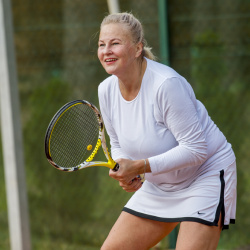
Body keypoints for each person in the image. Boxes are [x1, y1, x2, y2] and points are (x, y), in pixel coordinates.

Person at [97, 12, 237, 250]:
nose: (106, 51)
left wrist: (139, 166)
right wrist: (126, 168)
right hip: (160, 187)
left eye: (115, 43)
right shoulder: (106, 90)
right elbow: (117, 141)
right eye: (102, 44)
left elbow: (196, 150)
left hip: (206, 176)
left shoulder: (166, 84)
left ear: (137, 48)